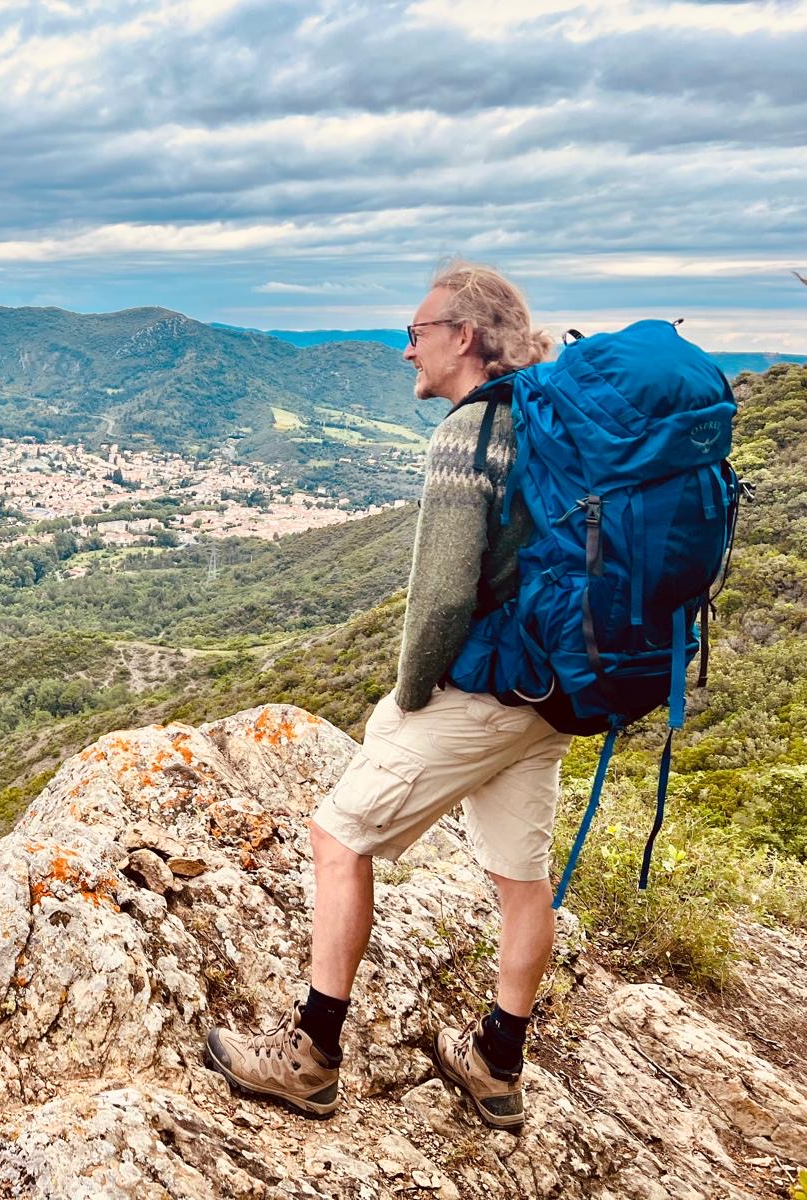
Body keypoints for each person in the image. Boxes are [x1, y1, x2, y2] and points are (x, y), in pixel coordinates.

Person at [204, 261, 564, 1131]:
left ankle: (310, 1055)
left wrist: (407, 695)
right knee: (523, 881)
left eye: (416, 332)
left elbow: (441, 597)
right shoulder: (551, 416)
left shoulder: (469, 434)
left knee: (338, 835)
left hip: (484, 690)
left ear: (464, 336)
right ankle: (496, 1063)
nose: (405, 349)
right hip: (555, 688)